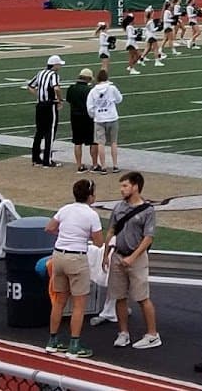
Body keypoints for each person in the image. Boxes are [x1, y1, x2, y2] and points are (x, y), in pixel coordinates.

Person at [44, 178, 104, 358]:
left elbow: (49, 228)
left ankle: (52, 341)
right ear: (90, 196)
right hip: (76, 258)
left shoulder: (65, 209)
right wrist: (84, 236)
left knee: (59, 301)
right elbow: (99, 242)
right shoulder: (91, 215)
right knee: (79, 304)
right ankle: (74, 344)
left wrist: (64, 234)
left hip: (58, 255)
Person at [103, 172, 160, 349]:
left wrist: (132, 257)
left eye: (125, 186)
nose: (122, 189)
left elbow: (148, 238)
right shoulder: (118, 207)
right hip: (118, 256)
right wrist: (105, 254)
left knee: (142, 297)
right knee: (119, 296)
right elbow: (111, 231)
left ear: (135, 187)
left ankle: (152, 334)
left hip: (137, 259)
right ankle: (123, 333)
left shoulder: (148, 210)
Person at [28, 54, 64, 168]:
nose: (60, 66)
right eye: (59, 64)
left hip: (40, 105)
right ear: (55, 65)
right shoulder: (53, 75)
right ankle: (47, 160)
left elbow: (30, 86)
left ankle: (35, 158)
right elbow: (56, 88)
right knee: (50, 131)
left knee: (39, 131)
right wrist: (60, 100)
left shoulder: (40, 73)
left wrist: (39, 95)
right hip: (50, 105)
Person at [86, 69, 123, 173]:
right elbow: (119, 99)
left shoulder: (93, 91)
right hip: (112, 117)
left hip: (99, 119)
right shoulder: (112, 88)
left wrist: (94, 115)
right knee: (113, 142)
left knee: (100, 143)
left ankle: (103, 166)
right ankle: (115, 165)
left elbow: (89, 106)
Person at [65, 68, 100, 174]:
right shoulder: (89, 90)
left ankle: (79, 165)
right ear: (88, 78)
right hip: (88, 118)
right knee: (93, 141)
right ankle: (95, 165)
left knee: (77, 142)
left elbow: (69, 100)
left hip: (75, 117)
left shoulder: (71, 88)